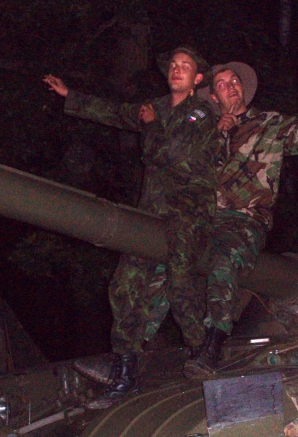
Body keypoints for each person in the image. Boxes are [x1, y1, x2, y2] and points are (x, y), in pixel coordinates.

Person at [43, 46, 219, 404]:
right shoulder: (155, 107)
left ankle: (203, 351)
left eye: (185, 66)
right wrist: (70, 96)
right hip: (152, 213)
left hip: (187, 213)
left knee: (180, 286)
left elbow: (168, 153)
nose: (177, 70)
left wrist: (151, 125)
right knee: (124, 286)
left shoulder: (200, 113)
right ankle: (125, 373)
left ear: (197, 78)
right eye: (173, 65)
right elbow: (115, 112)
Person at [182, 49, 298, 378]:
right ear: (214, 97)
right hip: (201, 219)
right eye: (222, 84)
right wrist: (218, 134)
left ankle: (212, 346)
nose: (231, 85)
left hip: (243, 220)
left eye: (234, 80)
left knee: (223, 261)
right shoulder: (202, 132)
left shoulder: (270, 125)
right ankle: (132, 358)